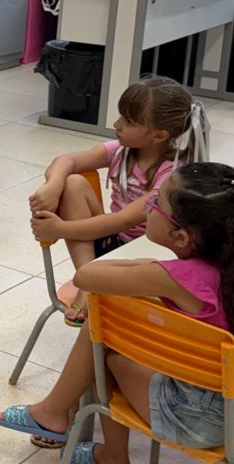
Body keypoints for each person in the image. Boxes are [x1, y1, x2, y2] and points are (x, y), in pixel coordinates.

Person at [0, 163, 234, 464]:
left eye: (157, 203)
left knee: (108, 335)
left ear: (181, 236)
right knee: (124, 325)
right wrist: (153, 269)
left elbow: (86, 276)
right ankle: (54, 413)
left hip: (204, 420)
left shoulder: (177, 278)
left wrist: (150, 269)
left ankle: (98, 449)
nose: (147, 205)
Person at [26, 76, 210, 324]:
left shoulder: (173, 174)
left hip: (150, 257)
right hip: (114, 245)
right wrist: (54, 184)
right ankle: (88, 283)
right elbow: (67, 160)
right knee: (72, 183)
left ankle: (92, 281)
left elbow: (123, 220)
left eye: (129, 121)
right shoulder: (121, 151)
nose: (116, 124)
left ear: (158, 136)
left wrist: (59, 229)